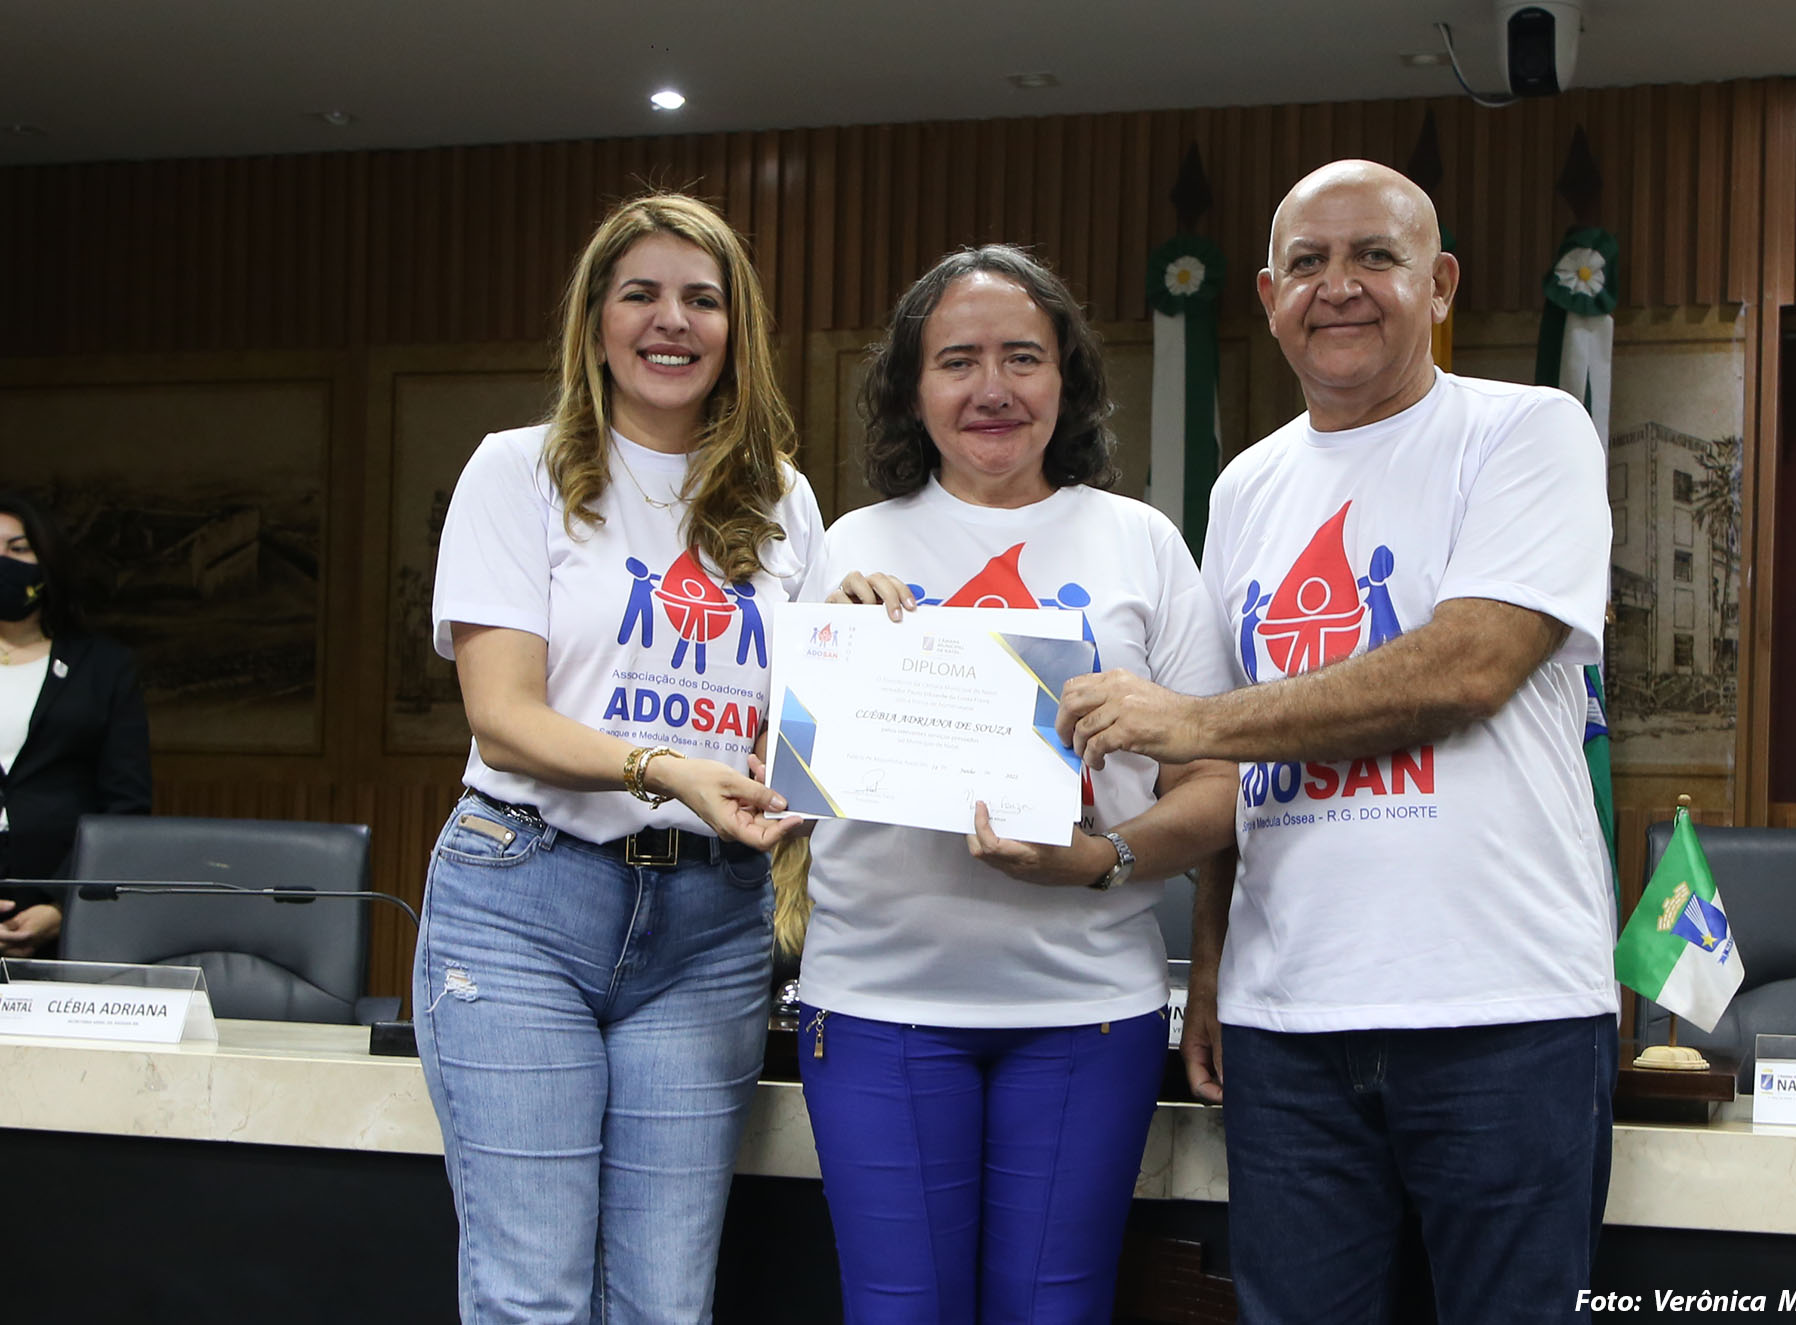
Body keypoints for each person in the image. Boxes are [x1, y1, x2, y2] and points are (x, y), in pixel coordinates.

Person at [1059, 160, 1619, 1324]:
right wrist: (1210, 961)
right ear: (1269, 297)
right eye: (1307, 263)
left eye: (1375, 255)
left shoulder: (1525, 430)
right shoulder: (1246, 487)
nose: (1339, 286)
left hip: (1500, 1010)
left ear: (1440, 283)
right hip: (1287, 1023)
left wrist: (1191, 717)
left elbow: (1466, 665)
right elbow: (1230, 775)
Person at [795, 245, 1239, 1323]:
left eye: (1022, 358)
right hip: (878, 999)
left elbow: (1218, 782)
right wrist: (832, 657)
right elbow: (790, 781)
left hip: (1087, 1007)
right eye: (957, 361)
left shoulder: (1140, 542)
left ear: (1066, 378)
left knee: (1057, 1308)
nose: (991, 388)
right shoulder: (849, 546)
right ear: (912, 388)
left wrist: (1103, 858)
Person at [417, 193, 818, 1325]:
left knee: (665, 1303)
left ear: (736, 327)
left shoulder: (784, 499)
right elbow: (504, 716)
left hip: (711, 926)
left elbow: (788, 723)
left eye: (702, 298)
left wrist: (864, 631)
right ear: (595, 320)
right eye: (640, 293)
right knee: (532, 1294)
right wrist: (668, 768)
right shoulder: (517, 470)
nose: (671, 320)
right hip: (524, 899)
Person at [0, 492, 152, 955]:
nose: (2, 562)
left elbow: (126, 806)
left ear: (47, 561)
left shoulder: (103, 667)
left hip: (61, 906)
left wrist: (62, 904)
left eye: (18, 549)